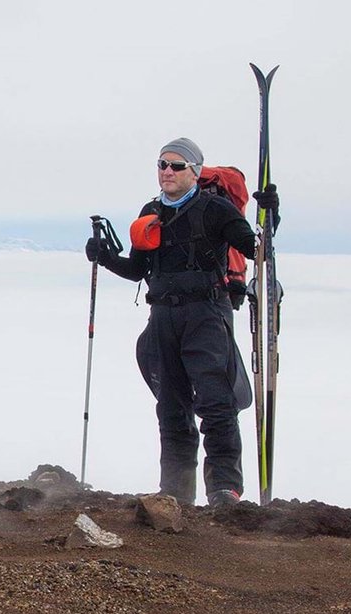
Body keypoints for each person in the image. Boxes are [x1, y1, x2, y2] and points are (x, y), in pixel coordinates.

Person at [86, 138, 279, 507]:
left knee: (216, 403)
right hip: (162, 316)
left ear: (195, 172)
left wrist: (271, 217)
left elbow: (257, 251)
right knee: (171, 407)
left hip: (206, 315)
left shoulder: (216, 209)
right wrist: (105, 258)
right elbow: (138, 270)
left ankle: (224, 490)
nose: (167, 172)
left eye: (176, 166)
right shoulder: (151, 212)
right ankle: (175, 493)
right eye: (162, 164)